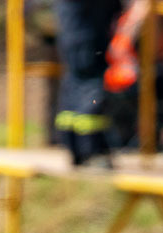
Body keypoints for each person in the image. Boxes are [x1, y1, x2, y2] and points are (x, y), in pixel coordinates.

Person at [103, 0, 163, 152]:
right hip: (129, 73)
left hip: (156, 67)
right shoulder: (144, 10)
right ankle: (159, 136)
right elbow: (144, 53)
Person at [54, 0, 123, 167]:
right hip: (90, 41)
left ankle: (75, 149)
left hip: (74, 37)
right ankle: (93, 151)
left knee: (74, 88)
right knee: (91, 90)